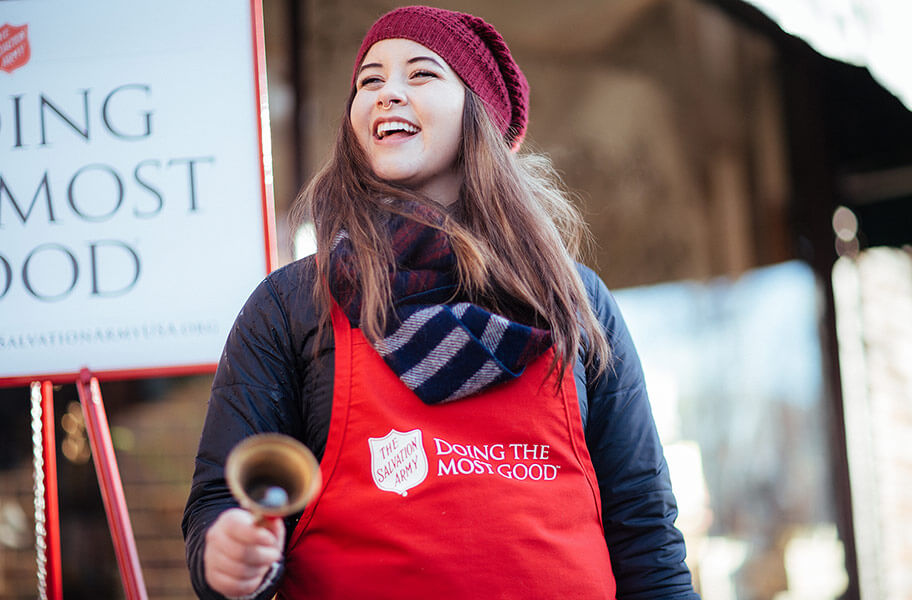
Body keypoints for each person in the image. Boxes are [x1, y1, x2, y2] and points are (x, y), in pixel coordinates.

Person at [183, 5, 699, 599]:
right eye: (369, 80)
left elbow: (646, 535)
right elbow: (219, 505)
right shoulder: (291, 305)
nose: (386, 93)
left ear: (478, 114)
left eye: (421, 74)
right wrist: (225, 557)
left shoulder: (575, 301)